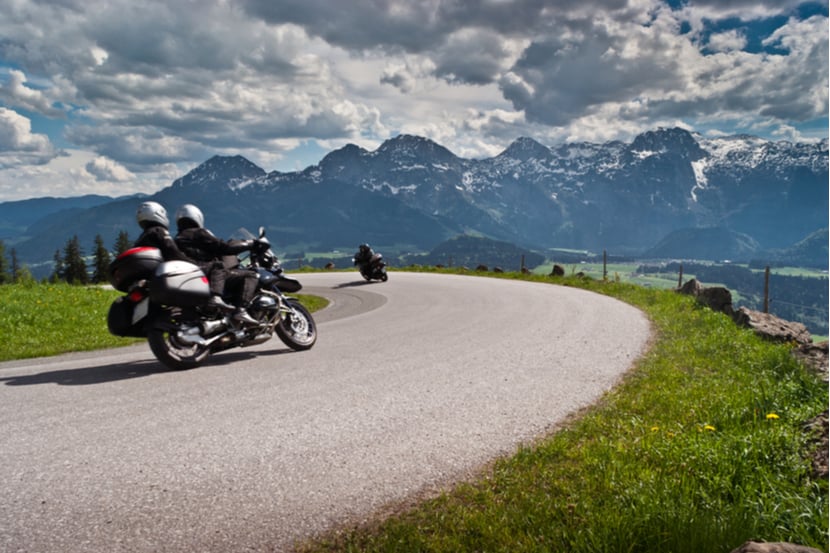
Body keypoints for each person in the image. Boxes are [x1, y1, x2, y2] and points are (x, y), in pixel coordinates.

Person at [134, 201, 237, 313]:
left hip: (155, 277)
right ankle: (215, 298)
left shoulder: (143, 237)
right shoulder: (159, 231)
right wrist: (191, 265)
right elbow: (173, 252)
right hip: (172, 273)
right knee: (218, 265)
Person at [173, 203, 259, 327]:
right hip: (206, 271)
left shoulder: (178, 238)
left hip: (191, 275)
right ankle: (241, 309)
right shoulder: (199, 233)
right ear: (197, 217)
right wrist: (250, 244)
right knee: (251, 275)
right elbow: (224, 247)